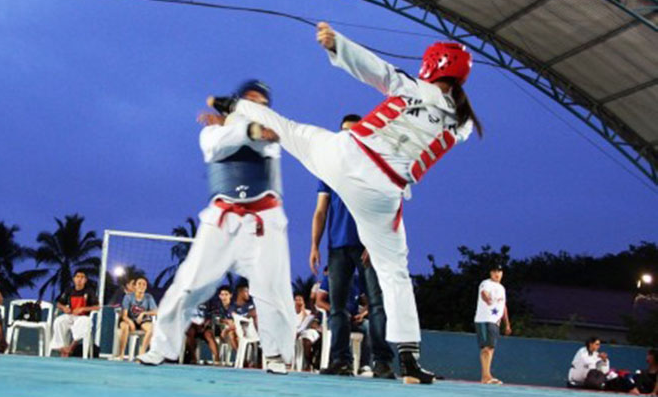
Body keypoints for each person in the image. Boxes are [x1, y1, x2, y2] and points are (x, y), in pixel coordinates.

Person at [208, 23, 483, 384]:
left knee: (290, 130)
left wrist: (339, 45)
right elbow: (443, 113)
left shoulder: (416, 88)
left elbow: (377, 70)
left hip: (350, 156)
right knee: (395, 273)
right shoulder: (461, 123)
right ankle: (409, 359)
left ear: (433, 65)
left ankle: (236, 106)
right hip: (384, 191)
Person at [139, 80, 296, 375]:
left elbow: (262, 140)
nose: (255, 108)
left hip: (264, 221)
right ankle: (163, 348)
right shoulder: (211, 133)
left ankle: (275, 354)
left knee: (272, 290)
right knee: (188, 284)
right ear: (236, 104)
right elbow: (218, 145)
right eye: (249, 101)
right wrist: (241, 127)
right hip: (221, 221)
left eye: (262, 105)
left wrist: (246, 128)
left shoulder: (273, 136)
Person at [311, 113, 395, 378]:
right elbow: (321, 211)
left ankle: (382, 362)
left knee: (377, 305)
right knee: (337, 308)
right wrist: (314, 245)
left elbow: (385, 208)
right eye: (345, 132)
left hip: (368, 245)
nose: (349, 136)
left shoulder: (374, 168)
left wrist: (375, 240)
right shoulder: (329, 169)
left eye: (354, 131)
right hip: (337, 247)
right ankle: (341, 361)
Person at [474, 263, 511, 384]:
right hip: (484, 319)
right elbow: (484, 293)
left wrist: (507, 324)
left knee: (491, 348)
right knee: (486, 348)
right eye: (495, 271)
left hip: (495, 321)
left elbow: (503, 306)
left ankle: (487, 375)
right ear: (491, 273)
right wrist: (487, 299)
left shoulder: (502, 288)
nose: (497, 274)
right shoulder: (486, 283)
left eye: (499, 271)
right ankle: (486, 376)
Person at [50, 269, 99, 357]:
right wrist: (64, 308)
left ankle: (71, 348)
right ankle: (62, 348)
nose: (79, 279)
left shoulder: (89, 291)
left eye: (82, 277)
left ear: (85, 280)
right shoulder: (69, 290)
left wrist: (83, 308)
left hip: (83, 317)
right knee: (59, 321)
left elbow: (97, 307)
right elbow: (59, 303)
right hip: (71, 315)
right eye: (77, 277)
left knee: (82, 323)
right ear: (74, 279)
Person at [117, 276, 157, 359]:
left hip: (142, 321)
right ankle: (121, 355)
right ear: (135, 286)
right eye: (139, 284)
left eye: (144, 284)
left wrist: (144, 313)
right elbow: (124, 315)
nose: (141, 286)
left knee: (151, 328)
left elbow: (156, 312)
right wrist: (130, 322)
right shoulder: (128, 297)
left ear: (146, 287)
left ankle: (141, 355)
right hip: (129, 320)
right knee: (125, 327)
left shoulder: (149, 297)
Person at [294, 293, 320, 372]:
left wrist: (303, 309)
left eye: (300, 300)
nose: (298, 302)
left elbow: (308, 323)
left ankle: (308, 362)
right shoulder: (290, 312)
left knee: (307, 338)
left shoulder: (308, 313)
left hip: (305, 332)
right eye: (296, 300)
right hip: (294, 332)